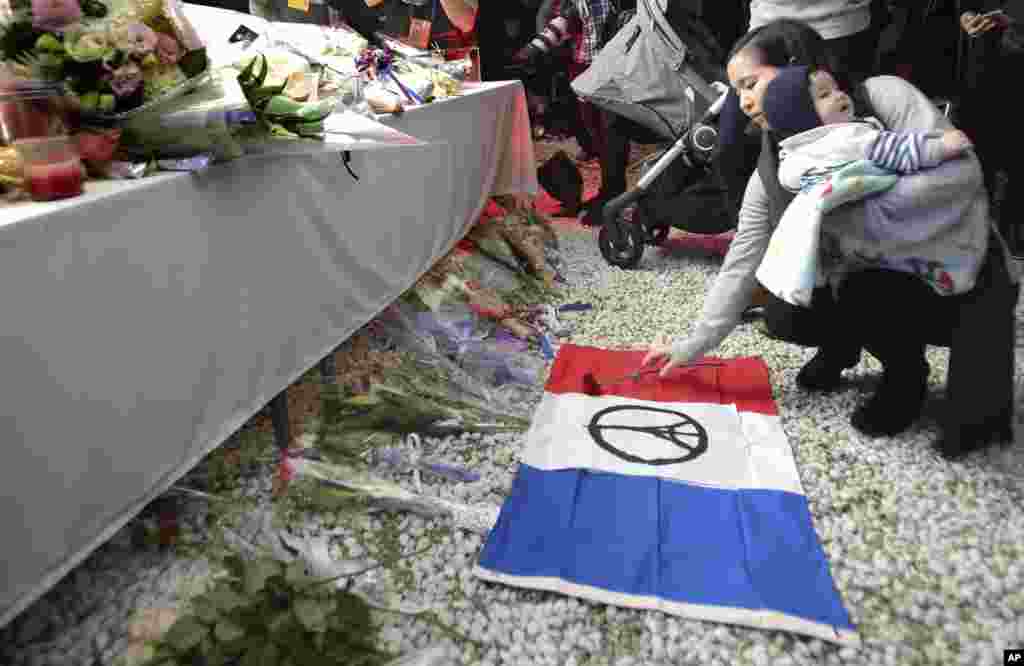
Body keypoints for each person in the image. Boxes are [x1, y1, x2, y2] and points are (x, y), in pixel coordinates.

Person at [641, 19, 1020, 460]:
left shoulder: (883, 96)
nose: (743, 102)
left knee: (974, 432)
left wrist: (842, 221)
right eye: (737, 92)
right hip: (884, 279)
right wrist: (691, 345)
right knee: (786, 311)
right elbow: (742, 260)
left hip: (966, 265)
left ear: (796, 68)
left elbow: (960, 175)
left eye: (750, 84)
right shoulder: (779, 163)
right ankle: (900, 373)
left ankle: (949, 371)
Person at [755, 64, 975, 307]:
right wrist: (942, 147)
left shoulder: (792, 157)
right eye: (824, 95)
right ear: (802, 115)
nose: (839, 95)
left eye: (836, 88)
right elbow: (898, 152)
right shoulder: (847, 138)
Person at [958, 3, 1024, 256]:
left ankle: (1012, 231)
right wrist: (967, 16)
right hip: (985, 65)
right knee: (980, 148)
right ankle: (978, 229)